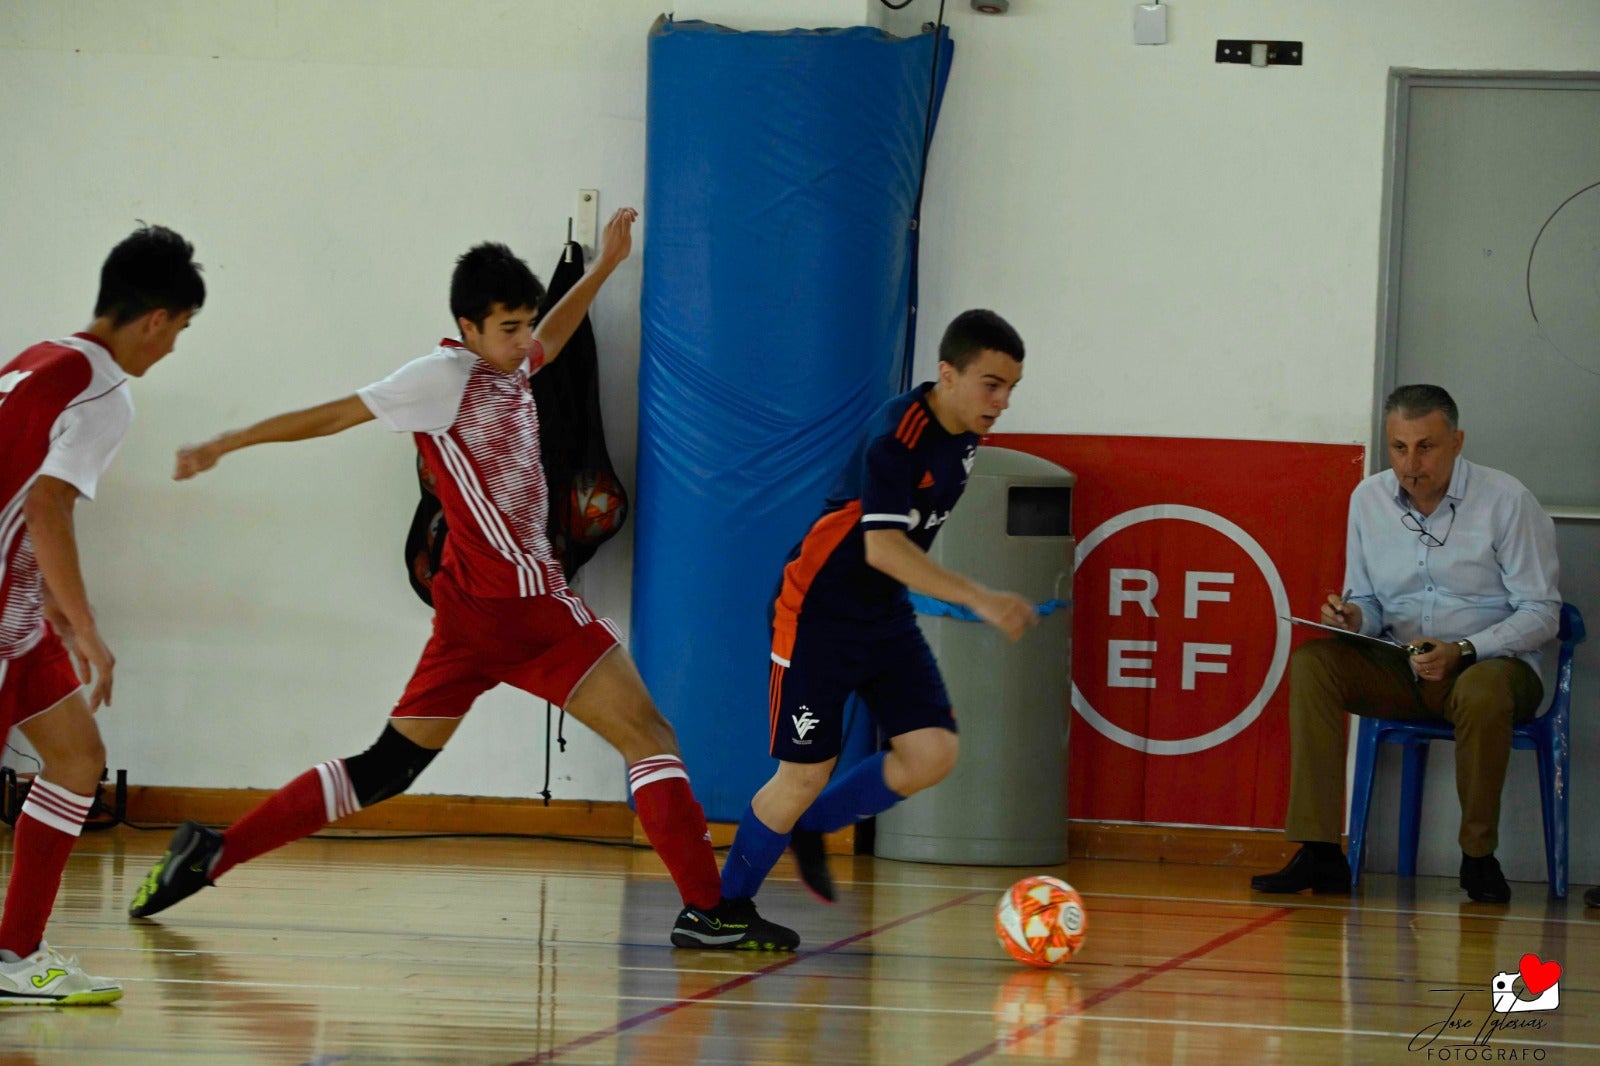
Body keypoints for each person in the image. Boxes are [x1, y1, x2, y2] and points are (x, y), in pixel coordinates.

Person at [127, 209, 797, 951]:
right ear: (466, 327)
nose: (523, 341)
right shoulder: (439, 378)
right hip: (525, 608)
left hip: (471, 618)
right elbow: (334, 415)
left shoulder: (507, 367)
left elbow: (554, 338)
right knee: (650, 736)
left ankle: (214, 852)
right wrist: (229, 440)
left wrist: (605, 267)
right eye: (508, 328)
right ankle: (707, 909)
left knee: (386, 769)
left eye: (525, 324)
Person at [718, 309, 1038, 919]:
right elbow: (882, 546)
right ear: (947, 373)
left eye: (1011, 389)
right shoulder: (899, 436)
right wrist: (980, 597)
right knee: (802, 774)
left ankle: (814, 826)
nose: (1001, 402)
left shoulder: (967, 435)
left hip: (882, 615)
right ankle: (722, 910)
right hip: (816, 615)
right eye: (991, 384)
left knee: (933, 754)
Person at [1251, 384, 1560, 904]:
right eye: (1399, 447)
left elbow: (1542, 612)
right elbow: (1369, 601)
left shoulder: (1507, 500)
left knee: (1484, 691)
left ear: (1457, 442)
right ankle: (1322, 850)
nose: (1410, 463)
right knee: (1314, 664)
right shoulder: (1368, 499)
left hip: (1492, 667)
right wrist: (1352, 616)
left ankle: (1478, 857)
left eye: (1426, 447)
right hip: (1402, 662)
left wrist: (1463, 649)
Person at [0, 225, 205, 1005]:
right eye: (181, 329)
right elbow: (48, 503)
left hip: (17, 611)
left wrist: (48, 602)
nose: (175, 348)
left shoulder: (36, 357)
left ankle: (16, 952)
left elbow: (17, 491)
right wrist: (86, 627)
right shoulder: (105, 392)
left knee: (78, 759)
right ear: (156, 318)